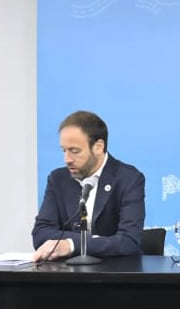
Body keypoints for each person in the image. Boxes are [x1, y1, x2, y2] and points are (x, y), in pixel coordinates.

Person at [32, 110, 146, 261]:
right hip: (68, 275)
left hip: (115, 274)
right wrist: (94, 240)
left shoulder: (128, 179)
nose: (67, 159)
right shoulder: (58, 179)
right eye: (64, 150)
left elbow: (128, 241)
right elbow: (40, 233)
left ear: (98, 147)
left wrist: (71, 244)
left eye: (74, 151)